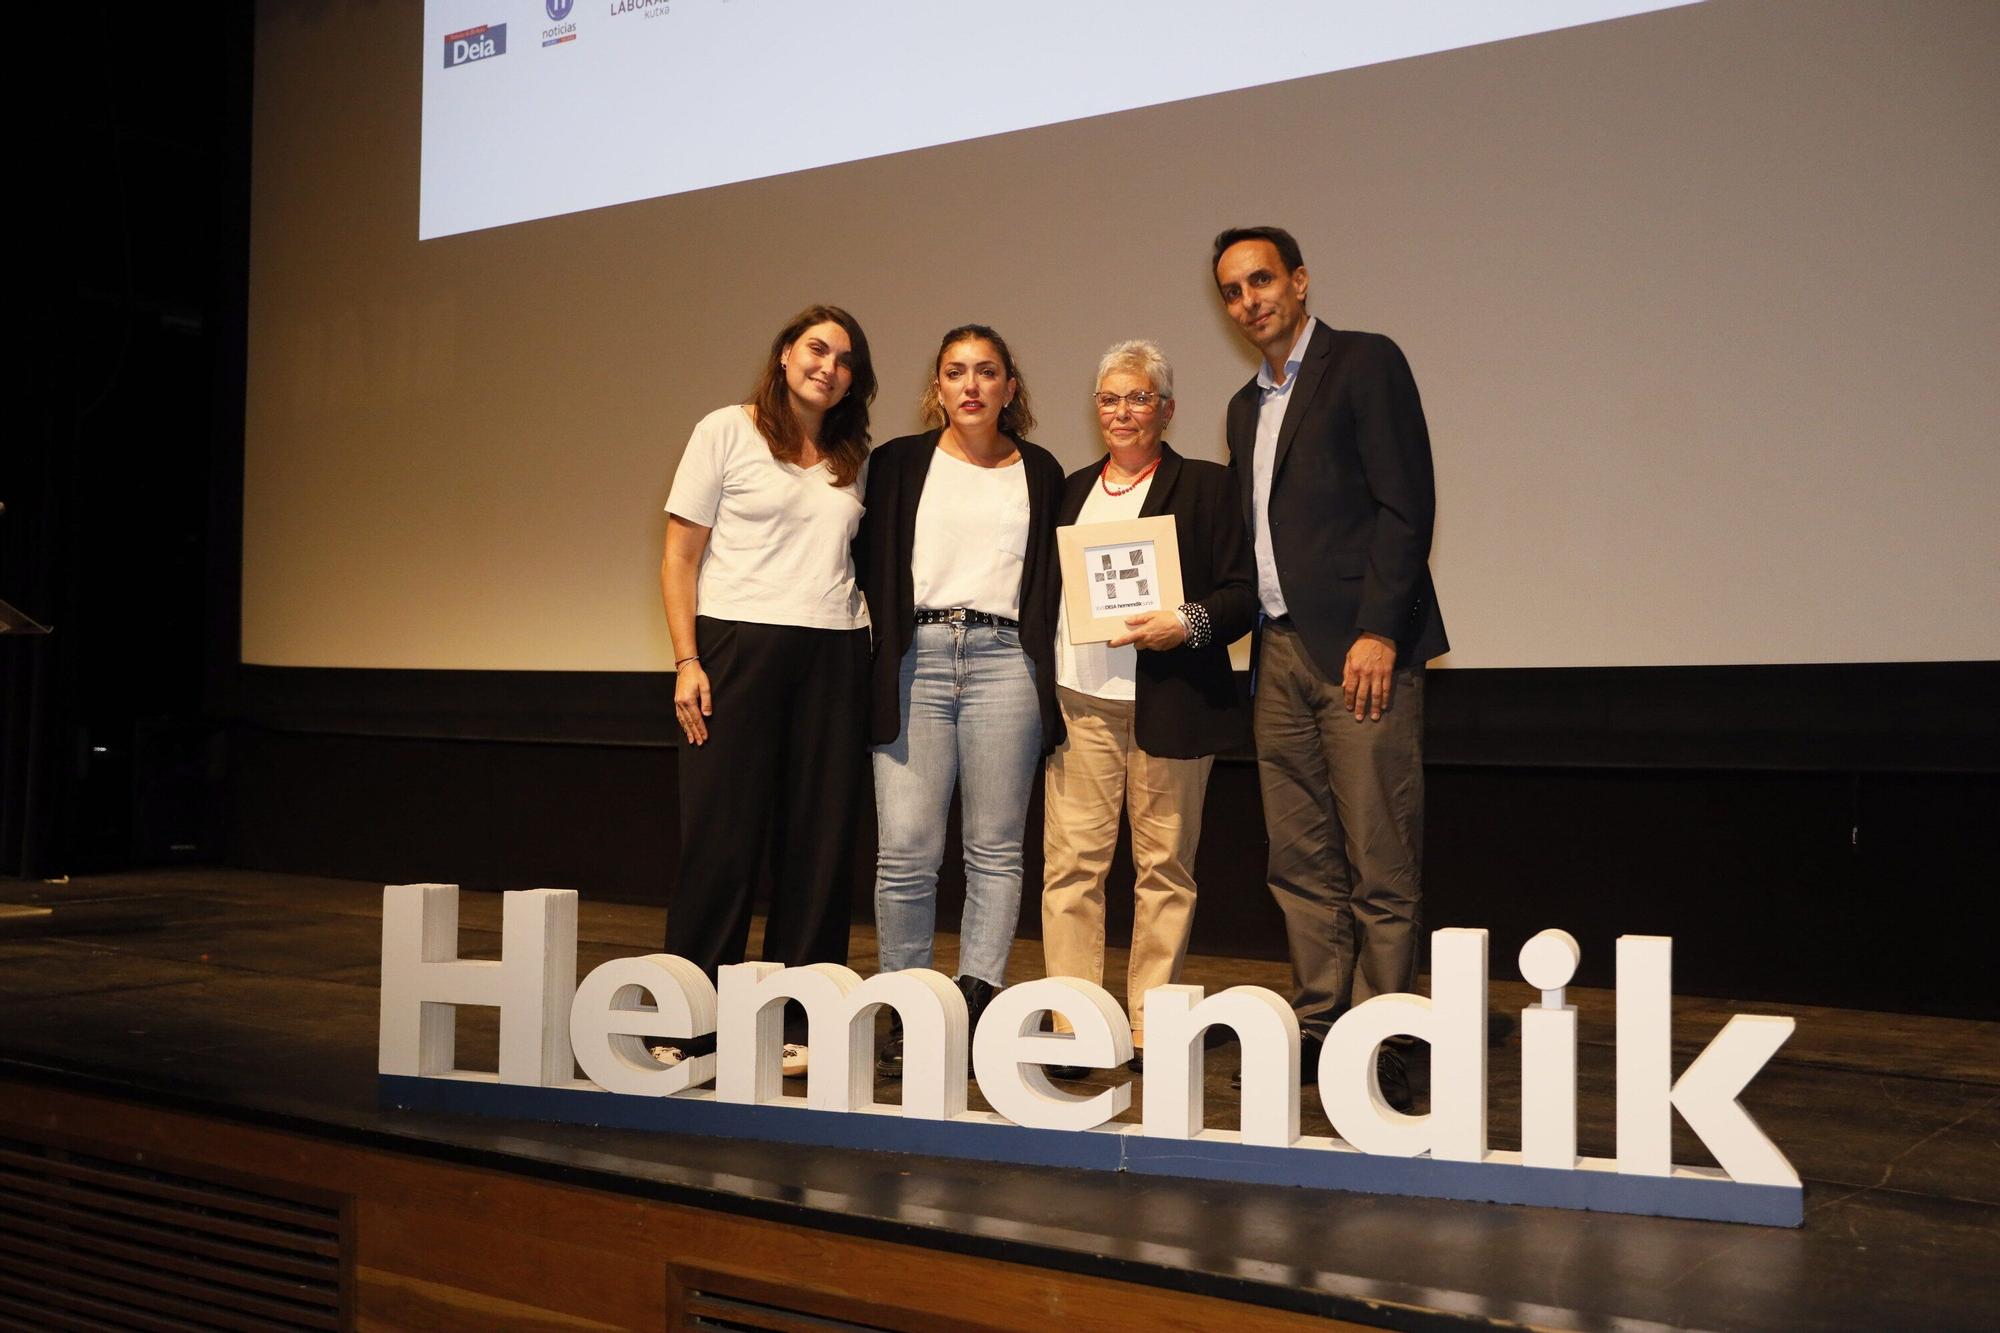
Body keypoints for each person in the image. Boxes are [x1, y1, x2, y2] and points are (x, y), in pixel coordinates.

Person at [1211, 226, 1449, 1112]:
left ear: (1300, 282)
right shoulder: (1244, 406)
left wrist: (1380, 629)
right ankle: (1320, 1018)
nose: (1249, 301)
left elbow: (1406, 501)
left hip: (1358, 650)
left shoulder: (1363, 363)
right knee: (1298, 857)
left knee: (1379, 856)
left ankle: (1390, 1033)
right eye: (1233, 290)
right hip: (1275, 653)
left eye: (1262, 280)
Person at [654, 304, 878, 1076]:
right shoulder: (727, 428)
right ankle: (690, 1017)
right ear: (785, 354)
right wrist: (688, 660)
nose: (829, 366)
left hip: (836, 649)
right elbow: (679, 556)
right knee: (722, 835)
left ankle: (800, 1022)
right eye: (817, 348)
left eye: (846, 359)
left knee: (818, 841)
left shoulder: (854, 453)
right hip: (738, 645)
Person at [1039, 340, 1255, 1076]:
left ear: (1166, 409)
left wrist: (1185, 623)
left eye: (1138, 398)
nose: (1122, 411)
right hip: (1081, 701)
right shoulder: (1069, 490)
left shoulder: (1207, 487)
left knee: (1164, 868)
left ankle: (1145, 1028)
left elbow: (1241, 593)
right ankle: (1073, 1024)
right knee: (1072, 867)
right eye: (1109, 398)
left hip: (1173, 703)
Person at [857, 324, 1065, 1075]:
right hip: (915, 658)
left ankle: (976, 1004)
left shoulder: (1041, 471)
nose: (971, 385)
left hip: (1005, 660)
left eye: (987, 372)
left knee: (994, 849)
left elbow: (1052, 580)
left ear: (1011, 388)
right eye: (956, 372)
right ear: (937, 387)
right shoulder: (896, 465)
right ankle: (912, 1010)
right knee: (907, 851)